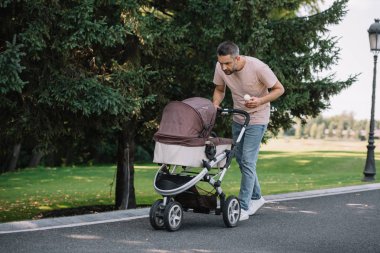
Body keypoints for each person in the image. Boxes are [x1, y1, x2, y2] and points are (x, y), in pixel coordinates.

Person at [212, 41, 284, 221]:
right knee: (240, 159)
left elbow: (279, 89)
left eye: (227, 63)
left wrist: (260, 101)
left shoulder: (258, 67)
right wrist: (215, 104)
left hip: (258, 117)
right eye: (221, 63)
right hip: (239, 117)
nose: (224, 67)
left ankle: (244, 206)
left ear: (237, 58)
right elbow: (220, 89)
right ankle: (257, 197)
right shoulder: (220, 67)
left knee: (248, 160)